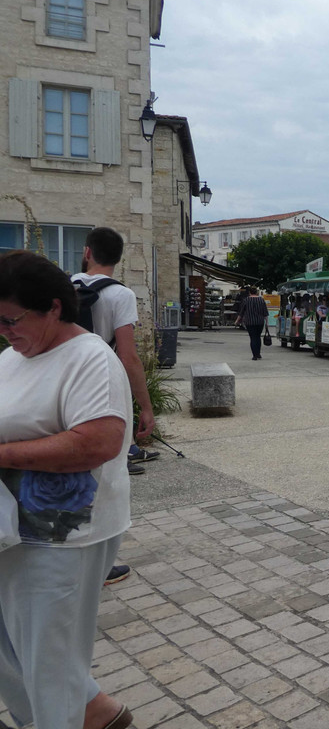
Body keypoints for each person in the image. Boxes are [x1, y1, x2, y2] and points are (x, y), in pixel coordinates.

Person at [0, 250, 135, 729]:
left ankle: (65, 718)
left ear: (54, 307)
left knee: (49, 658)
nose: (4, 330)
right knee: (13, 644)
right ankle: (92, 711)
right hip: (13, 528)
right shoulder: (13, 357)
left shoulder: (89, 359)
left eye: (11, 319)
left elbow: (98, 442)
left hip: (62, 535)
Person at [71, 228, 156, 475]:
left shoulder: (65, 287)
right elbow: (128, 357)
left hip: (67, 375)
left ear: (87, 252)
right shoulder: (121, 295)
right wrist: (146, 407)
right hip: (102, 377)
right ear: (118, 259)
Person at [235, 285, 269, 360]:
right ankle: (258, 354)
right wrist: (267, 322)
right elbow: (265, 312)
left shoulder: (246, 300)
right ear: (256, 292)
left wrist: (237, 321)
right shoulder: (261, 300)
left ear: (249, 292)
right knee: (258, 337)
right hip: (260, 322)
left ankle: (254, 355)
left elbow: (241, 312)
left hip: (249, 322)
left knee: (253, 337)